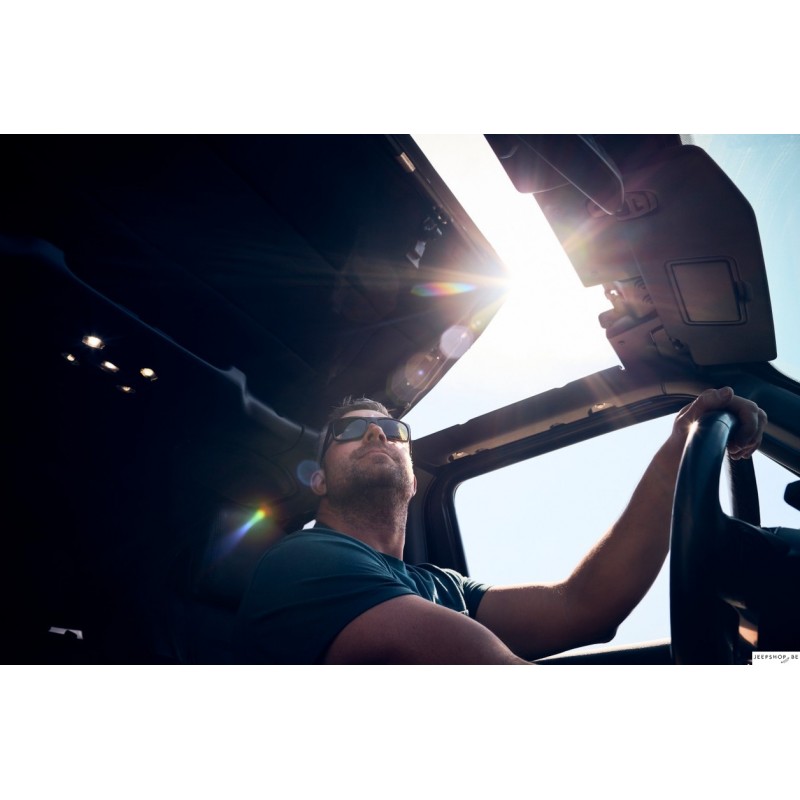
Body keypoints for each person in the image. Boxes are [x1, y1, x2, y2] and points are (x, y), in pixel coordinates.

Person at [235, 387, 766, 664]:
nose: (378, 435)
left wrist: (679, 443)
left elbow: (582, 607)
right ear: (319, 481)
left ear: (413, 480)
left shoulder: (441, 585)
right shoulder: (302, 561)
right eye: (351, 432)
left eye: (393, 429)